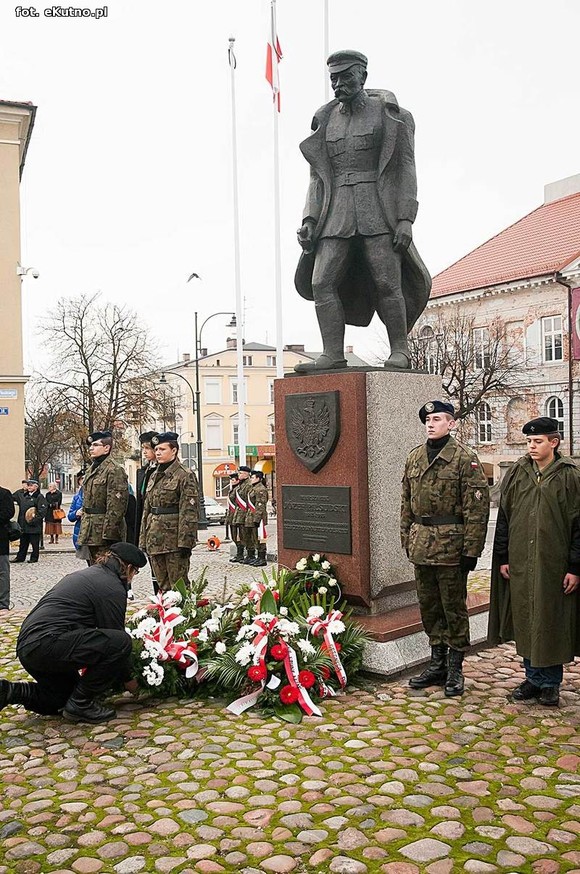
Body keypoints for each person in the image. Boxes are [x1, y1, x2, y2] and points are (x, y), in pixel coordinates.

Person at [294, 50, 431, 373]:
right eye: (334, 79)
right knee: (321, 282)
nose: (339, 84)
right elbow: (317, 176)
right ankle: (332, 353)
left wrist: (405, 218)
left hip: (378, 210)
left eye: (345, 77)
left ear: (363, 77)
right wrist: (309, 219)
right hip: (335, 211)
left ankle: (400, 350)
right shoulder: (325, 118)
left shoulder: (392, 115)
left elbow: (405, 169)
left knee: (387, 282)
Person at [488, 417, 580, 707]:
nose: (531, 446)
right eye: (529, 441)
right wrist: (502, 557)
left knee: (550, 619)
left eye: (537, 441)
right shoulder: (517, 472)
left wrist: (575, 567)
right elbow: (504, 517)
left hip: (553, 563)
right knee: (527, 616)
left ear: (554, 442)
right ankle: (532, 677)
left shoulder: (570, 476)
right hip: (520, 559)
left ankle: (550, 682)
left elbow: (579, 525)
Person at [0, 542, 146, 724]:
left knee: (63, 697)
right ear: (129, 568)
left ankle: (10, 692)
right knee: (122, 641)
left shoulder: (90, 575)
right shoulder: (112, 587)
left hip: (29, 646)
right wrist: (129, 680)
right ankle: (81, 704)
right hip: (48, 644)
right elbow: (115, 640)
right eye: (136, 572)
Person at [401, 401, 489, 697]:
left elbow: (477, 509)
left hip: (452, 548)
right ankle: (436, 662)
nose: (430, 423)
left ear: (451, 424)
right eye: (427, 418)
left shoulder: (464, 458)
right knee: (429, 606)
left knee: (453, 608)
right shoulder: (414, 457)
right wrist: (406, 538)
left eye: (437, 419)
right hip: (422, 544)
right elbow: (406, 503)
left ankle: (455, 667)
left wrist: (471, 551)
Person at [139, 432, 199, 592]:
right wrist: (143, 540)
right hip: (155, 539)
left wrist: (185, 543)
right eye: (156, 449)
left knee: (179, 588)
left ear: (174, 450)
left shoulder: (184, 475)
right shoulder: (153, 475)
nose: (157, 452)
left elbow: (189, 512)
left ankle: (183, 616)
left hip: (174, 542)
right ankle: (164, 615)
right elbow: (147, 510)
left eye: (162, 449)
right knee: (161, 587)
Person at [77, 430, 128, 564]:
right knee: (93, 571)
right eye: (90, 445)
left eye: (95, 445)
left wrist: (110, 533)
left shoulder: (114, 470)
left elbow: (117, 506)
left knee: (107, 569)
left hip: (104, 532)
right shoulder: (91, 469)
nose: (91, 448)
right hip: (90, 529)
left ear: (106, 448)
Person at [135, 431, 159, 593]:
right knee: (153, 570)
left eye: (147, 448)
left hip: (159, 525)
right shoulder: (144, 471)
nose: (144, 452)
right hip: (146, 523)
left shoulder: (158, 471)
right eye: (143, 448)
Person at [12, 479, 48, 563]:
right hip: (23, 524)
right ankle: (20, 557)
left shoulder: (39, 497)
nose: (29, 487)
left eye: (31, 485)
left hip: (34, 525)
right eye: (28, 485)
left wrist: (34, 520)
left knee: (35, 543)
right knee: (23, 543)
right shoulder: (24, 496)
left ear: (36, 487)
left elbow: (42, 511)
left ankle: (34, 558)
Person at [245, 470, 269, 566]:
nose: (251, 479)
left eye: (253, 477)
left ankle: (262, 558)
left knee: (260, 538)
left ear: (258, 479)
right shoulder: (253, 488)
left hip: (258, 516)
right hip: (251, 515)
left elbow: (260, 505)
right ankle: (257, 557)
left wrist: (257, 519)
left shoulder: (261, 489)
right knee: (254, 538)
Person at [229, 466, 252, 563]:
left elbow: (249, 501)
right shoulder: (240, 486)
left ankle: (249, 555)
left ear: (247, 474)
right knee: (238, 536)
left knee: (246, 536)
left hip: (244, 514)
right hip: (237, 514)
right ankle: (240, 554)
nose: (239, 475)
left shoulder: (248, 485)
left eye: (241, 473)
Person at [0, 483, 16, 610]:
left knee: (2, 573)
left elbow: (9, 512)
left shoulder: (4, 494)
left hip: (1, 540)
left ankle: (3, 603)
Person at [67, 470, 85, 550]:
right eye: (82, 479)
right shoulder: (77, 497)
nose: (84, 480)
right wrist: (76, 513)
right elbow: (70, 516)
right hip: (80, 530)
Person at [224, 471, 239, 542]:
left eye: (233, 480)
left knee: (237, 536)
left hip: (236, 515)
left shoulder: (238, 489)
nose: (231, 482)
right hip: (232, 515)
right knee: (233, 536)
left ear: (237, 480)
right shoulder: (232, 490)